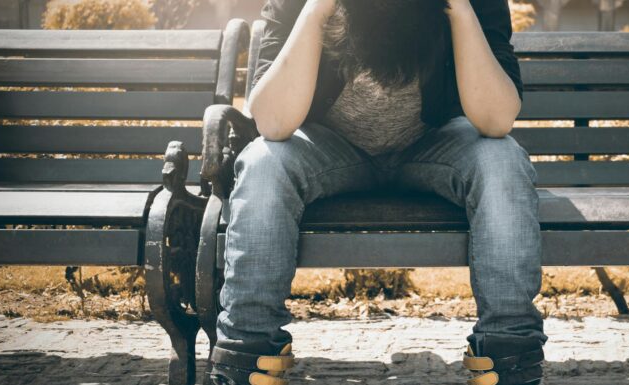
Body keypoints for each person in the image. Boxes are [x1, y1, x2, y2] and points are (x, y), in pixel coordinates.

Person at [208, 1, 546, 384]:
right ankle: (249, 348)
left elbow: (496, 120)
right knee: (263, 163)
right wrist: (317, 9)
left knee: (502, 160)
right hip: (329, 148)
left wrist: (461, 10)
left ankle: (508, 350)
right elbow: (272, 122)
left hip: (434, 145)